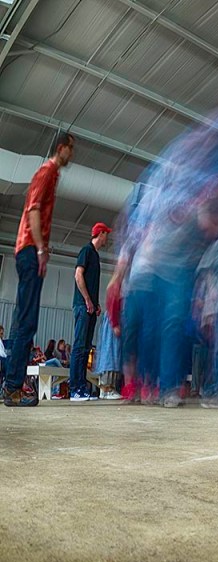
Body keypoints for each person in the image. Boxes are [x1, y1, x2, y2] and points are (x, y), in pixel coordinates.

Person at [2, 131, 75, 407]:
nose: (73, 154)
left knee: (23, 319)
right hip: (29, 250)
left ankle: (11, 386)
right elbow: (32, 210)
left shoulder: (51, 176)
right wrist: (41, 248)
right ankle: (12, 388)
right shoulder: (46, 172)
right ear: (61, 148)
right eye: (71, 148)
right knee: (27, 321)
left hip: (29, 249)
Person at [69, 222, 111, 401]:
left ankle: (82, 388)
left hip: (91, 308)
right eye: (106, 234)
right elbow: (78, 275)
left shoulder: (95, 255)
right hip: (82, 306)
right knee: (79, 347)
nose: (107, 238)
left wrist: (96, 303)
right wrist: (86, 300)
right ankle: (74, 389)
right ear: (100, 234)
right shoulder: (86, 251)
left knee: (86, 348)